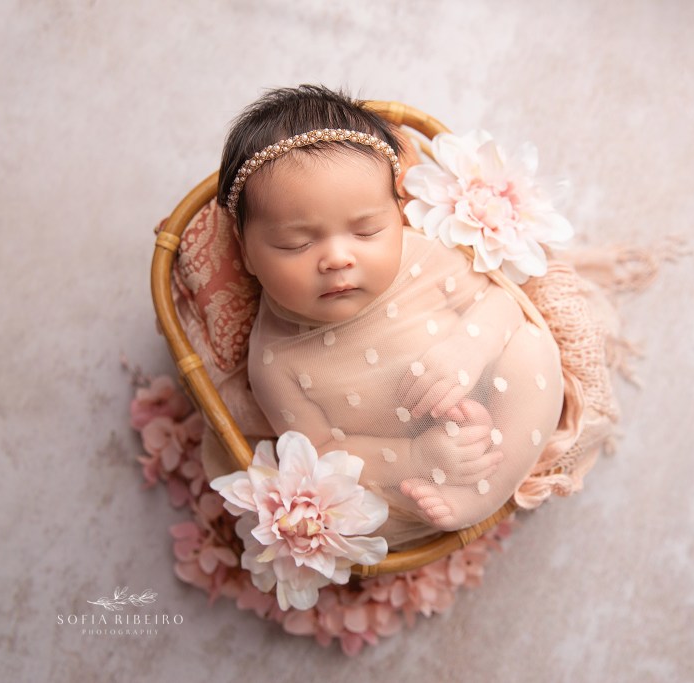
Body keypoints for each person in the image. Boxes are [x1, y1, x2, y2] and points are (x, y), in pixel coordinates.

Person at [217, 85, 564, 547]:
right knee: (346, 501)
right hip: (410, 464)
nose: (338, 258)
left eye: (367, 230)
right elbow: (319, 454)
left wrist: (467, 349)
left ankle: (489, 489)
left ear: (398, 216)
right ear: (248, 253)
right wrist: (417, 456)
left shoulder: (422, 257)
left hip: (490, 390)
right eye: (296, 244)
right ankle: (461, 485)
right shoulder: (275, 361)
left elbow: (499, 303)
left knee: (533, 350)